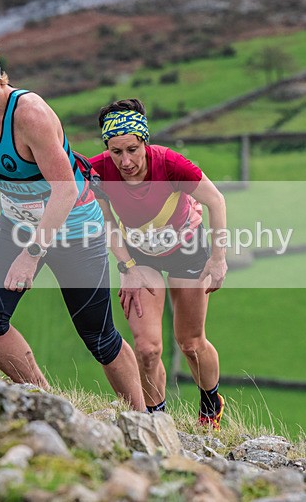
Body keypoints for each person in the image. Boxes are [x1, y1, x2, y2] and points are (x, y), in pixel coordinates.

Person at [0, 35, 145, 411]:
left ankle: (146, 421)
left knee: (99, 338)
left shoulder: (31, 115)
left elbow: (64, 193)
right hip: (18, 222)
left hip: (74, 228)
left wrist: (31, 256)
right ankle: (49, 403)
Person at [90, 99, 227, 427]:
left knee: (191, 343)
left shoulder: (171, 164)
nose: (126, 161)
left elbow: (215, 200)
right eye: (116, 151)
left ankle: (211, 403)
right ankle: (156, 421)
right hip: (141, 258)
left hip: (188, 251)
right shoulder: (97, 171)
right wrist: (126, 267)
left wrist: (218, 258)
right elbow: (107, 223)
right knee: (148, 350)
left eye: (133, 150)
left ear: (145, 142)